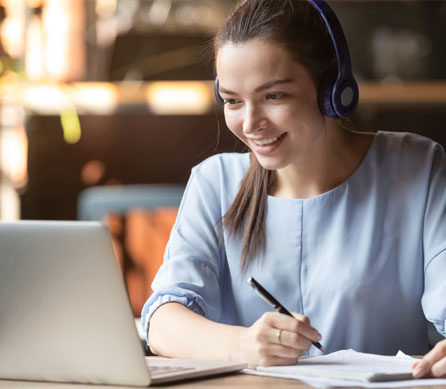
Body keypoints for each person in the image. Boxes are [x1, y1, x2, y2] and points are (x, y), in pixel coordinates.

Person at [141, 0, 446, 372]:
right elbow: (162, 322)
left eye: (274, 96)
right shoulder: (214, 181)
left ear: (331, 89)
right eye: (233, 101)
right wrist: (244, 345)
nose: (250, 124)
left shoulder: (417, 166)